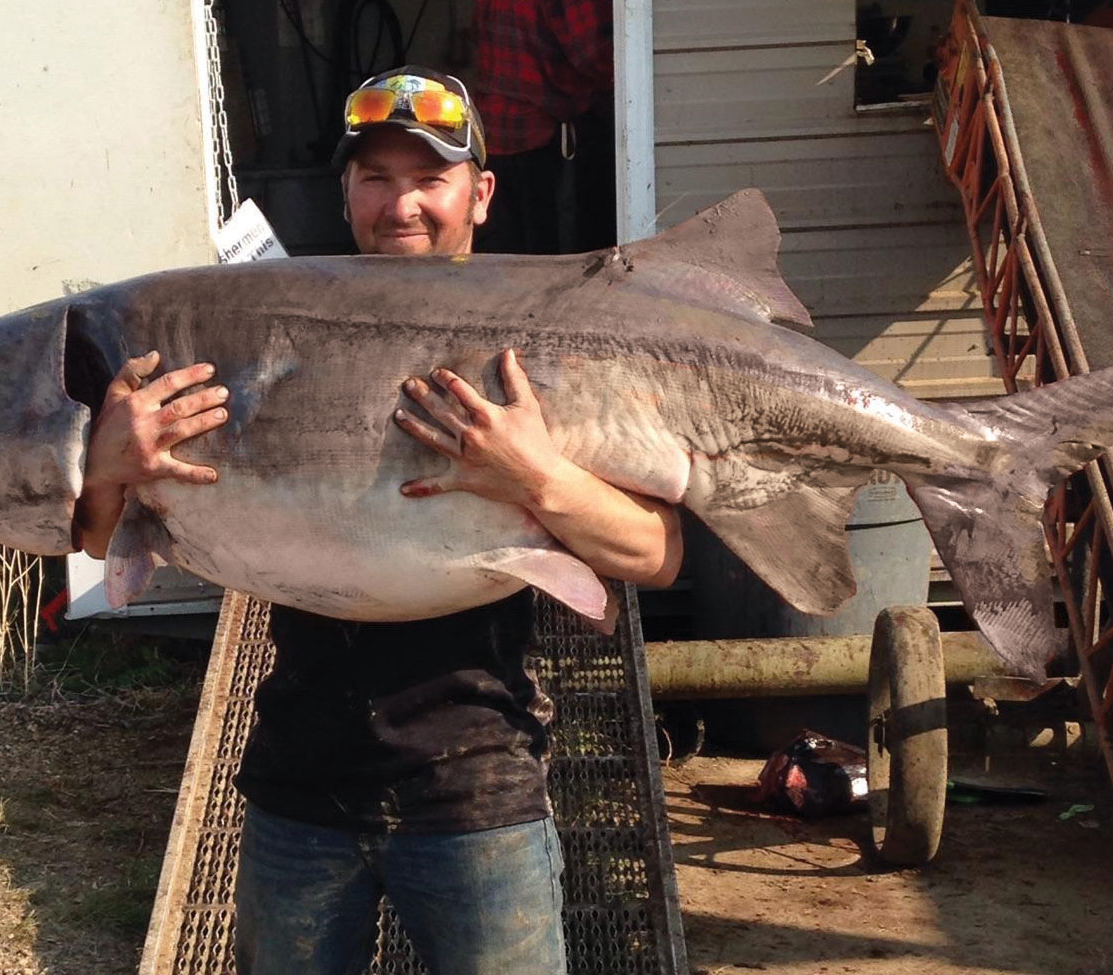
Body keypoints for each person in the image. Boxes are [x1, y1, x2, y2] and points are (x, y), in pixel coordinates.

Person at [75, 66, 682, 975]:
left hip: (477, 788)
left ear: (479, 194)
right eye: (376, 177)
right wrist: (108, 473)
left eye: (429, 178)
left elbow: (659, 555)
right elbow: (98, 545)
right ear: (346, 194)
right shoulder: (269, 342)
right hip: (298, 786)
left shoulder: (540, 360)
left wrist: (536, 477)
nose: (402, 204)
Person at [470, 0, 616, 255]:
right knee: (562, 261)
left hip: (496, 134)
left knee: (511, 259)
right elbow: (595, 56)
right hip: (547, 139)